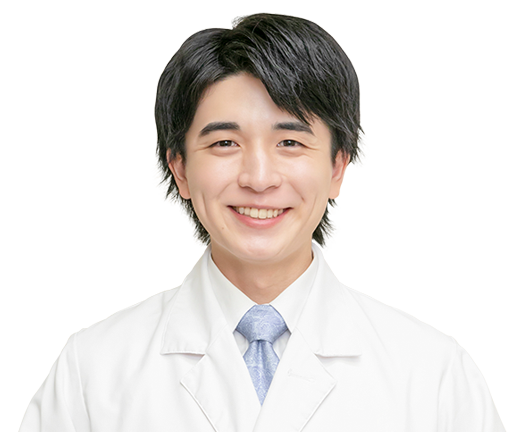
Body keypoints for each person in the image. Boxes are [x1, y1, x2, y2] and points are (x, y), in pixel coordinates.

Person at [20, 13, 505, 431]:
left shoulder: (432, 373)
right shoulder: (94, 370)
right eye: (224, 143)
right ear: (180, 169)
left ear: (338, 165)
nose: (258, 178)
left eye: (290, 142)